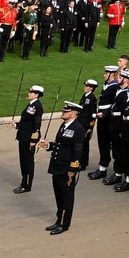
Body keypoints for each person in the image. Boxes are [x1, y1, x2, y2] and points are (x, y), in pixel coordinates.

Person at [42, 101, 87, 235]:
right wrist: (49, 145)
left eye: (66, 112)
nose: (63, 113)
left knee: (66, 197)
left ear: (74, 114)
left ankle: (64, 224)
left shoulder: (78, 129)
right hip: (57, 165)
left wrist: (73, 169)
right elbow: (60, 144)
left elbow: (78, 151)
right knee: (58, 195)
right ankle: (58, 220)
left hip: (67, 168)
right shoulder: (64, 125)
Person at [12, 84, 45, 193]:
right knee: (23, 161)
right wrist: (16, 125)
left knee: (27, 162)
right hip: (23, 136)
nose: (29, 94)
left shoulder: (37, 106)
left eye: (31, 92)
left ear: (36, 95)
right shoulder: (31, 105)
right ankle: (24, 182)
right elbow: (26, 122)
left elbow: (36, 125)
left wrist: (33, 140)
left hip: (28, 139)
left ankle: (26, 185)